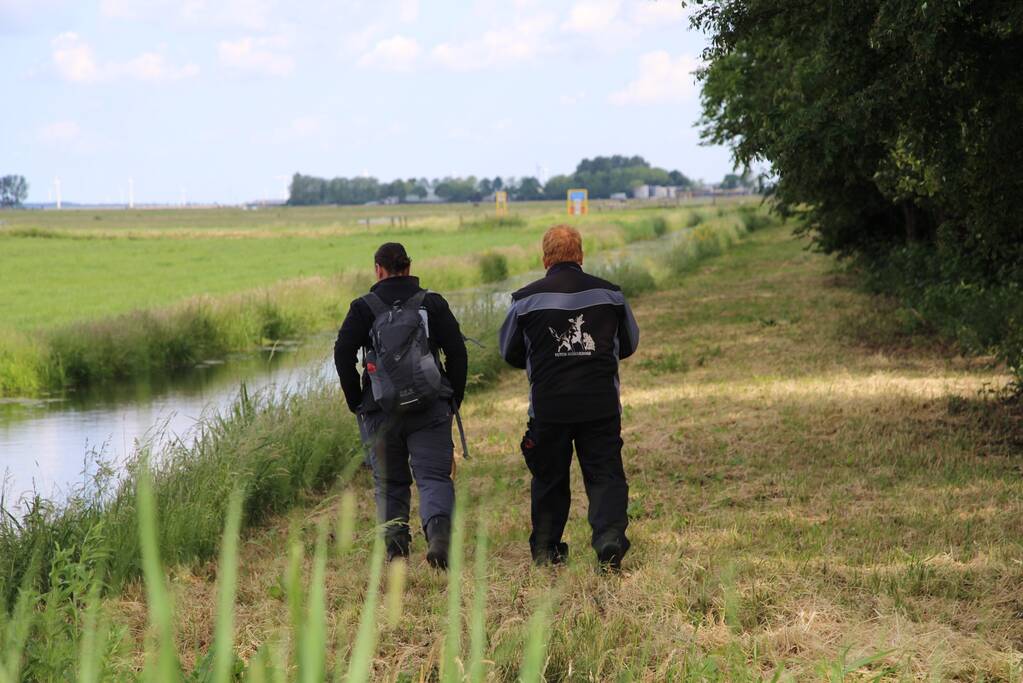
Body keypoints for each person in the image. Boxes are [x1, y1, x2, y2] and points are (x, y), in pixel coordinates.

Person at [498, 225, 639, 570]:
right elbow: (629, 343)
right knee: (605, 474)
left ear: (545, 258)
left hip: (549, 407)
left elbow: (509, 352)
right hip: (600, 403)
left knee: (549, 478)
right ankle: (608, 540)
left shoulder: (524, 301)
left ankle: (547, 551)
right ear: (580, 255)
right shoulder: (611, 295)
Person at [334, 242, 468, 569]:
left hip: (380, 410)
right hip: (430, 406)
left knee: (390, 482)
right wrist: (451, 397)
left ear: (378, 269)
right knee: (434, 477)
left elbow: (342, 354)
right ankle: (438, 538)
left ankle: (396, 553)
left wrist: (358, 402)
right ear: (409, 267)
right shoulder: (432, 303)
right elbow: (458, 353)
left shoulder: (363, 307)